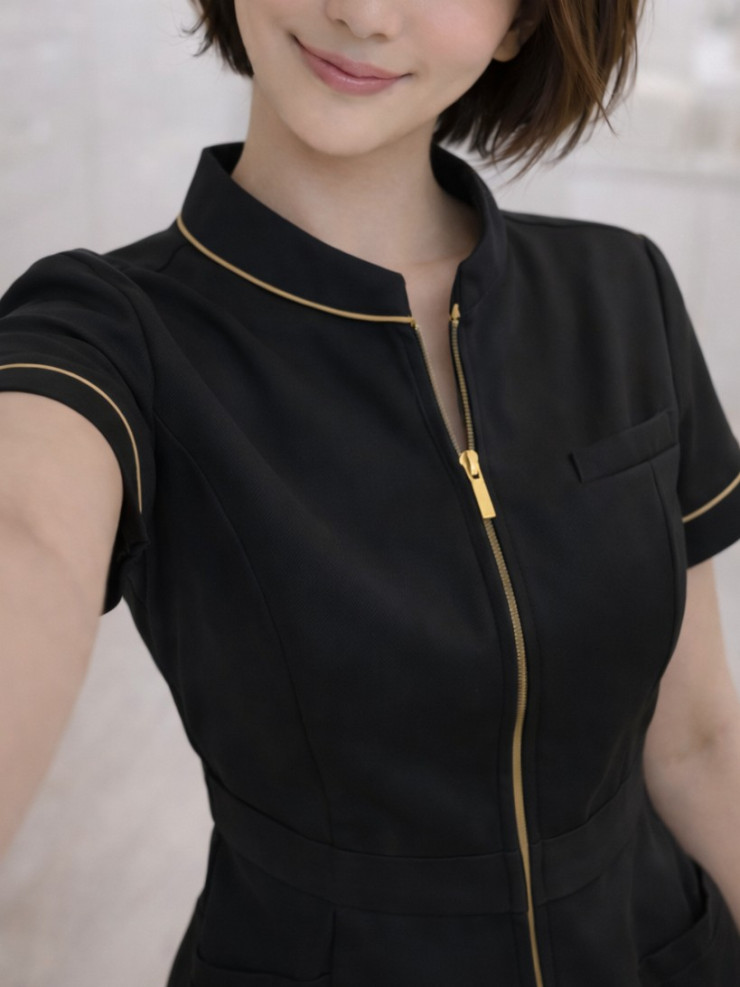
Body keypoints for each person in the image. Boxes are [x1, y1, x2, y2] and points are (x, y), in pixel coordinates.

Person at [1, 0, 740, 984]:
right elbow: (26, 534)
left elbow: (696, 742)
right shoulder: (107, 336)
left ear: (520, 25)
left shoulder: (620, 290)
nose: (362, 11)